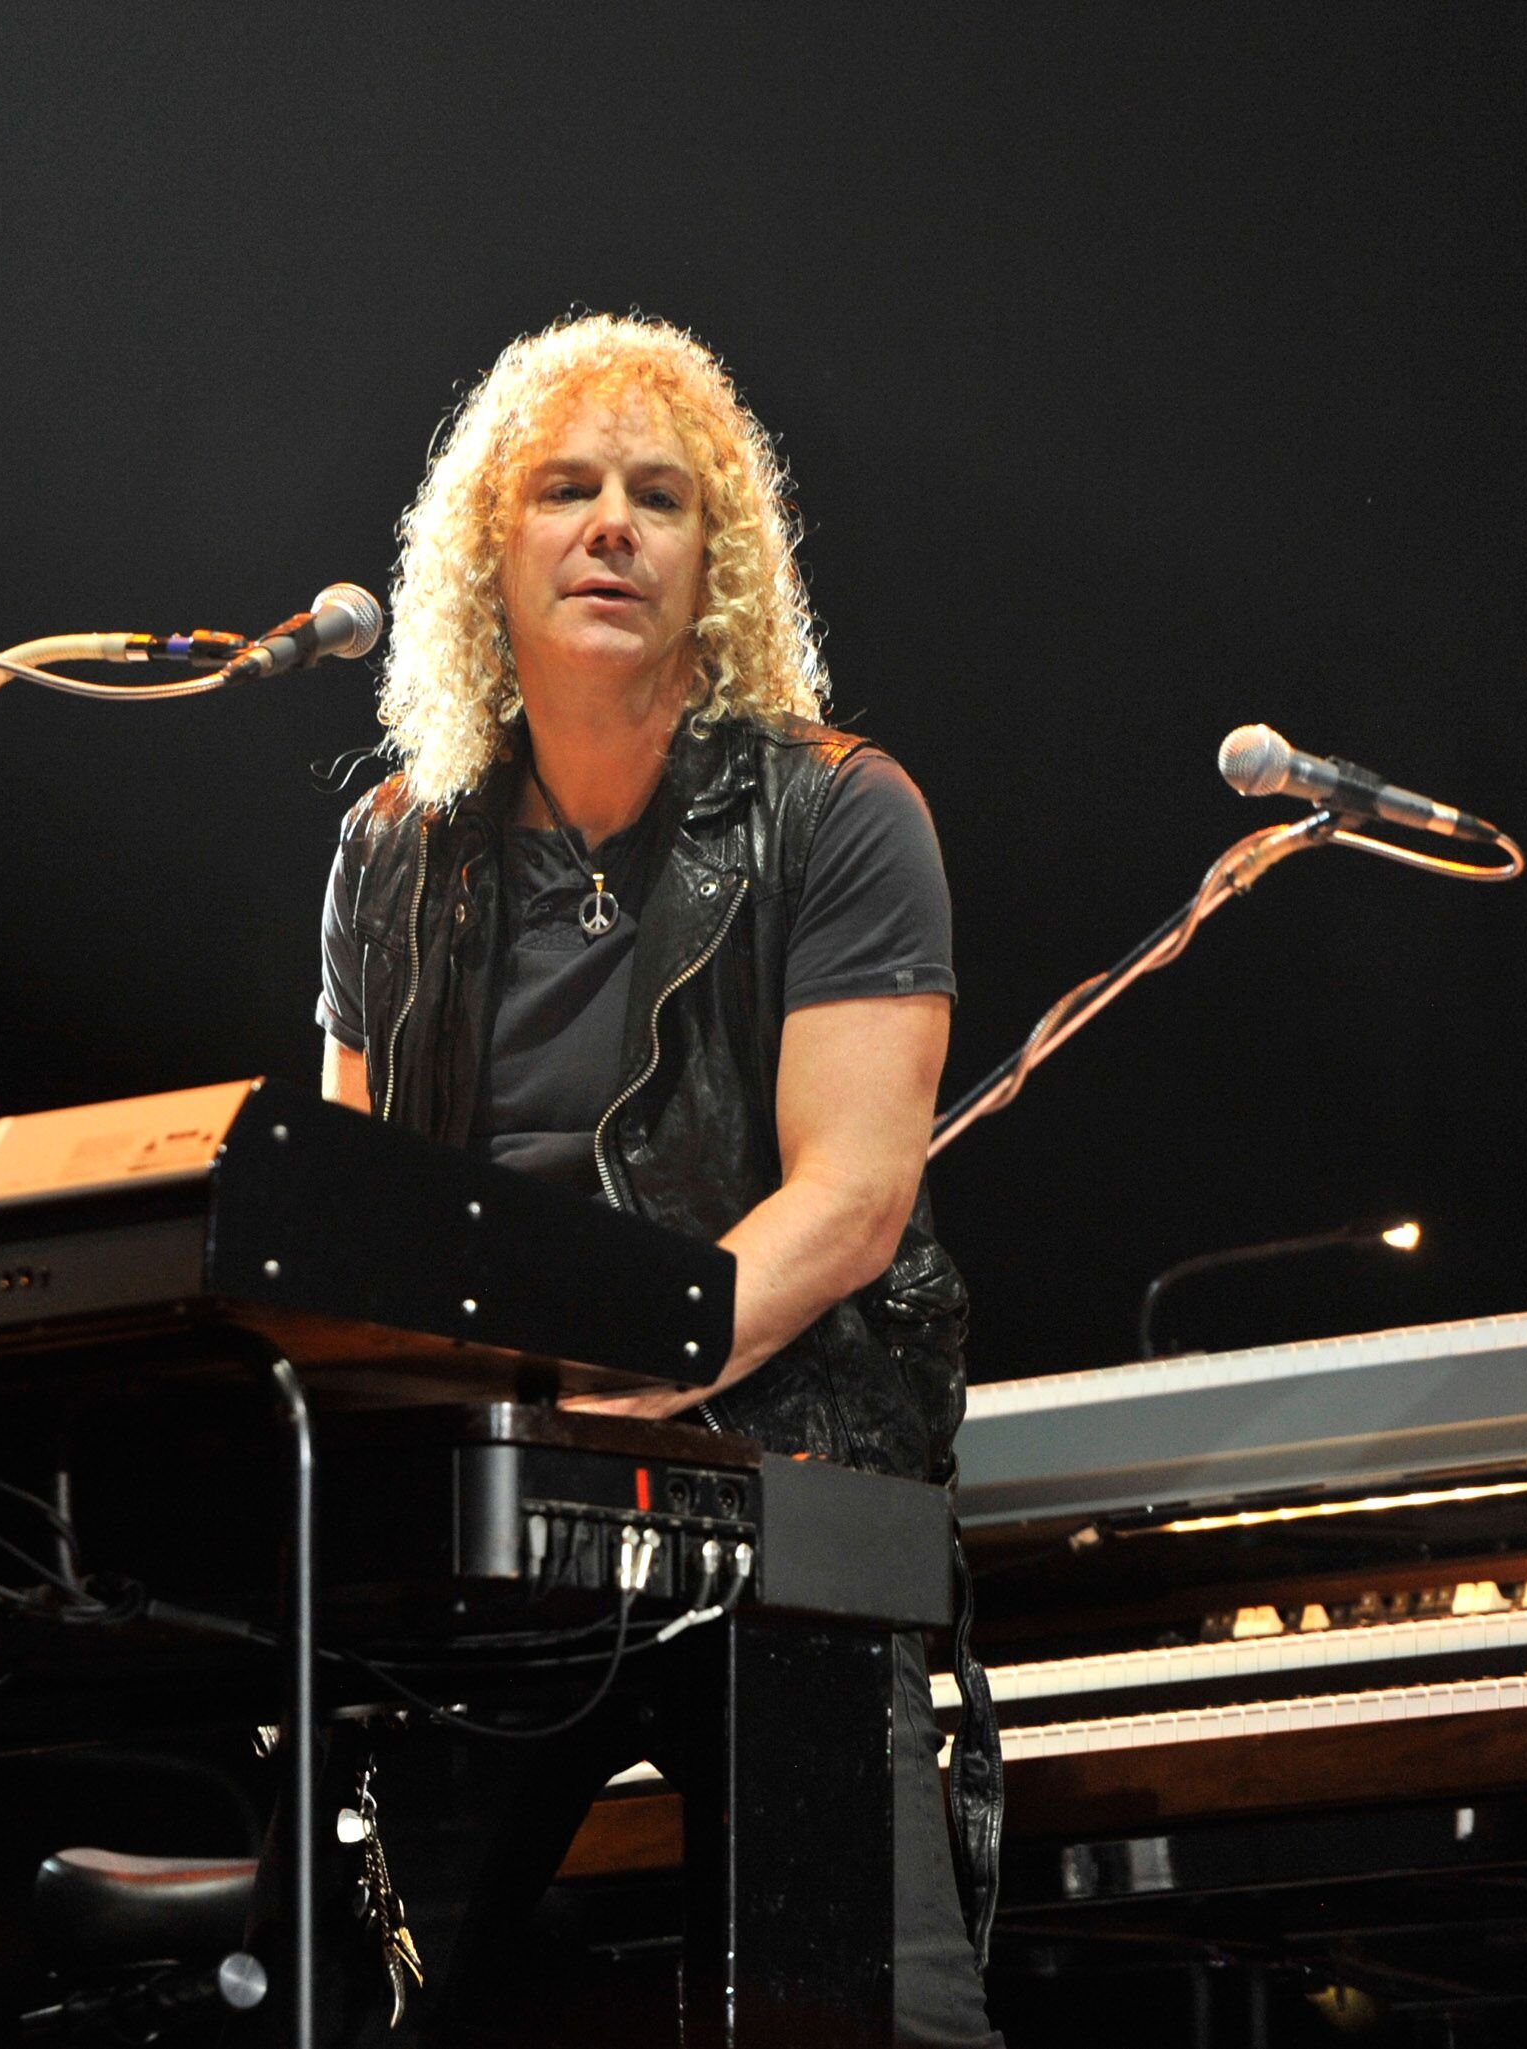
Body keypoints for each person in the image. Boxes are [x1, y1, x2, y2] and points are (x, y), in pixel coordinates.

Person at [314, 312, 1002, 2044]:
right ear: (493, 545)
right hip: (499, 1513)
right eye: (566, 487)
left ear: (721, 566)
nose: (612, 523)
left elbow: (848, 1204)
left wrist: (626, 1381)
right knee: (382, 2004)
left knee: (877, 2017)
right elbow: (348, 1218)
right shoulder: (395, 852)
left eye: (660, 497)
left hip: (774, 1487)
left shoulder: (841, 817)